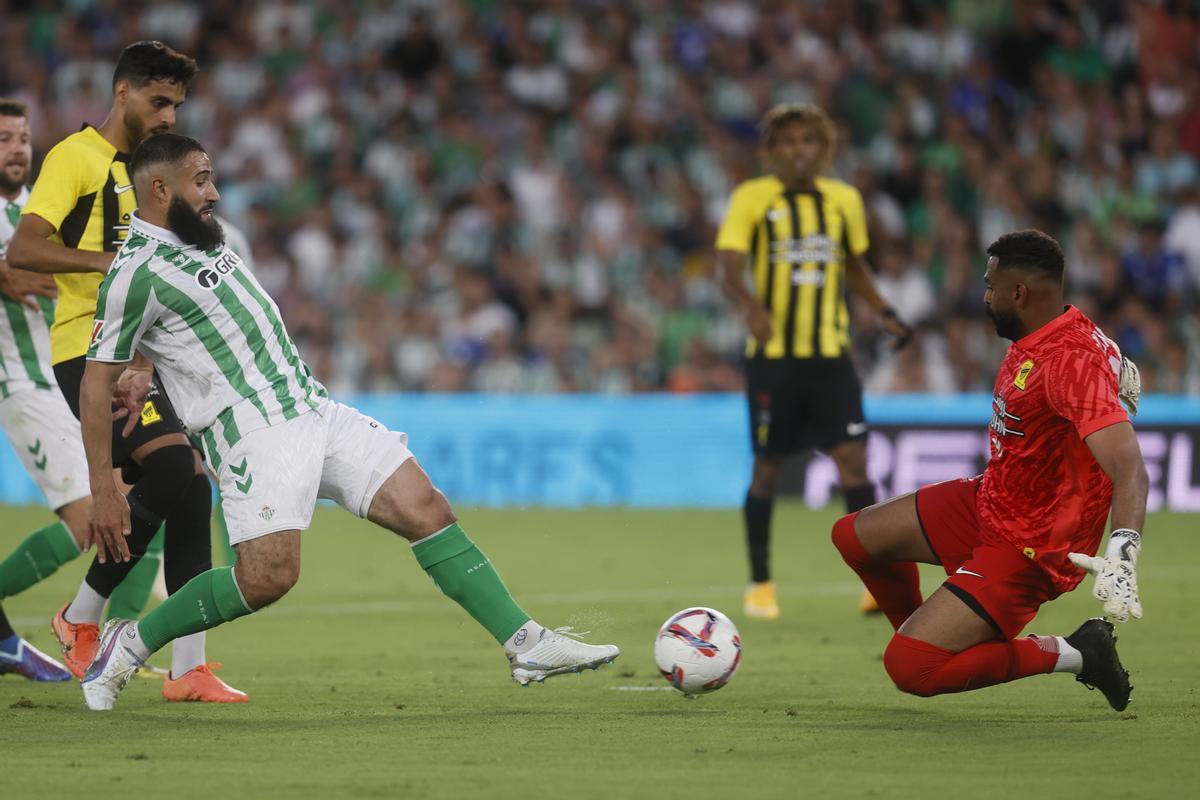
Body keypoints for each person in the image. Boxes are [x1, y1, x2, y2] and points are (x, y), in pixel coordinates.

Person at [77, 134, 620, 710]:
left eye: (211, 177)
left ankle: (525, 643)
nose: (213, 192)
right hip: (254, 431)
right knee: (268, 576)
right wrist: (102, 485)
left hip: (312, 406)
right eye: (201, 180)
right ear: (160, 189)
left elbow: (172, 332)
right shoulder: (135, 270)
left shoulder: (200, 235)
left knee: (427, 509)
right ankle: (130, 644)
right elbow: (94, 382)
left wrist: (142, 365)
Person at [6, 42, 244, 702]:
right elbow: (26, 247)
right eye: (158, 101)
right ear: (122, 94)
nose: (169, 115)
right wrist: (102, 264)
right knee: (171, 470)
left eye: (177, 105)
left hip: (139, 351)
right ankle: (80, 617)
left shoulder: (152, 172)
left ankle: (188, 668)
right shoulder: (75, 159)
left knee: (194, 490)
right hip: (84, 348)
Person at [831, 229, 1145, 712]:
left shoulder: (1067, 362)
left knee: (911, 669)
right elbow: (1109, 374)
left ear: (1019, 293)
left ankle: (1078, 652)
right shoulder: (1056, 330)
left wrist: (1123, 552)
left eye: (990, 285)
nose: (984, 295)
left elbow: (1130, 468)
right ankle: (940, 632)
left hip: (1031, 546)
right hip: (990, 501)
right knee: (853, 536)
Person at [714, 103, 912, 620]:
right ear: (772, 150)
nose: (799, 150)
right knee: (767, 469)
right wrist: (751, 306)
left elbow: (853, 264)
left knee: (854, 463)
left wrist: (886, 311)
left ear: (825, 149)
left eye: (809, 142)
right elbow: (729, 269)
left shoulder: (844, 199)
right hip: (773, 362)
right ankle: (760, 583)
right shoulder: (752, 198)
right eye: (789, 142)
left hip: (831, 357)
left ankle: (876, 584)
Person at [0, 98, 83, 681]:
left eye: (23, 137)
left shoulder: (37, 215)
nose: (17, 148)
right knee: (88, 519)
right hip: (20, 384)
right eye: (4, 138)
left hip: (64, 382)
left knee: (121, 507)